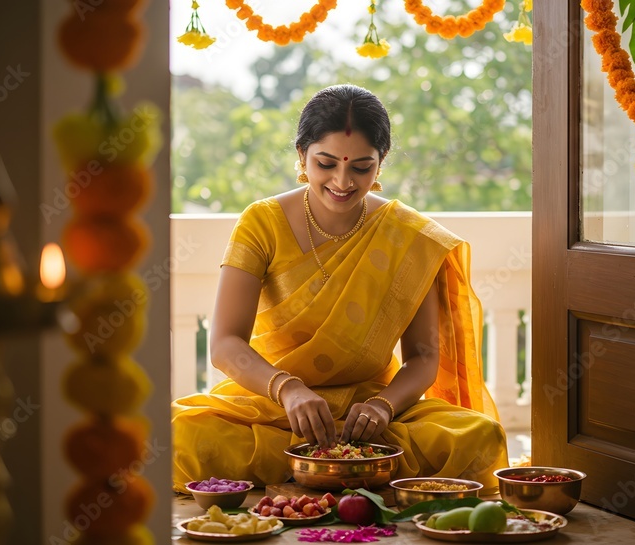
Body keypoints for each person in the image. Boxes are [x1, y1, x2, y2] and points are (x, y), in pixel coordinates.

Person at [172, 84, 509, 493]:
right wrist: (289, 390)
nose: (342, 181)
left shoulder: (407, 235)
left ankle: (312, 468)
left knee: (478, 435)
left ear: (381, 163)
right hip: (272, 406)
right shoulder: (261, 222)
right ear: (301, 155)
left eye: (361, 167)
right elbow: (225, 344)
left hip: (367, 414)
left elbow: (422, 359)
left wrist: (383, 407)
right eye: (326, 163)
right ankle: (354, 471)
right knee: (179, 438)